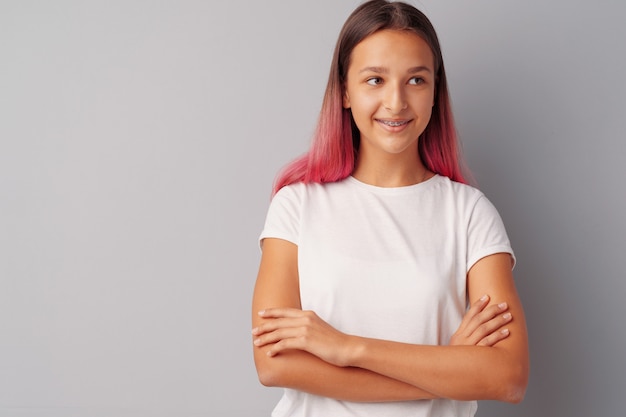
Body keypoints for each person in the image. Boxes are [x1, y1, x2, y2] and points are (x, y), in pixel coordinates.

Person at [251, 1, 529, 416]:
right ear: (345, 90)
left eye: (416, 80)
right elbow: (274, 364)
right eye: (375, 79)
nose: (396, 102)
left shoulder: (470, 213)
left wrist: (346, 347)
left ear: (436, 90)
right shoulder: (296, 205)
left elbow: (507, 376)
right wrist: (445, 365)